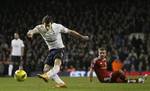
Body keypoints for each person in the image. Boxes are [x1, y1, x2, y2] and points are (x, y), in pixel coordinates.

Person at [27, 15, 89, 88]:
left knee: (57, 64)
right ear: (43, 24)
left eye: (48, 25)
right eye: (45, 25)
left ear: (51, 23)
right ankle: (61, 83)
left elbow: (70, 32)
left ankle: (47, 75)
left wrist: (82, 37)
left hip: (60, 49)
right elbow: (32, 31)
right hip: (51, 50)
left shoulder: (57, 27)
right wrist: (30, 34)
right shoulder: (39, 28)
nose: (47, 27)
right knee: (46, 69)